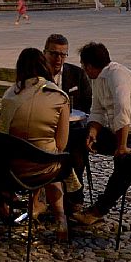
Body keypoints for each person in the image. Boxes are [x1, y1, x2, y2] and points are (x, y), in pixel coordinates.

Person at [72, 42, 131, 227]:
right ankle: (73, 196)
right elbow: (96, 109)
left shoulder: (117, 74)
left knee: (125, 160)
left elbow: (123, 109)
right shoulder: (97, 79)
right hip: (116, 131)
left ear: (88, 66)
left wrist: (121, 146)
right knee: (74, 138)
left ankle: (99, 210)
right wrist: (92, 132)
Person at [0, 48, 71, 241]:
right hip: (46, 169)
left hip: (13, 171)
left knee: (42, 156)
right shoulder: (59, 96)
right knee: (54, 159)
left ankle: (23, 205)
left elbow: (3, 136)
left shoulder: (9, 96)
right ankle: (60, 218)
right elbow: (61, 144)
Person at [44, 34, 92, 214]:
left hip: (73, 128)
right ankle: (51, 196)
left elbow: (87, 103)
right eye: (54, 54)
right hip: (46, 128)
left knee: (78, 149)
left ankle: (74, 198)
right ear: (45, 53)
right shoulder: (38, 76)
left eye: (63, 55)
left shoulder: (76, 74)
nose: (58, 59)